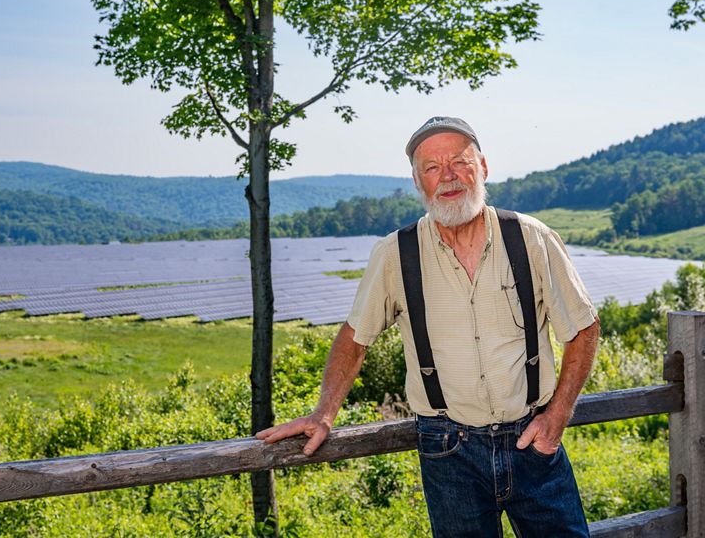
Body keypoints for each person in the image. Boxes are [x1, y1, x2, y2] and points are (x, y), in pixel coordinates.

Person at [256, 116, 600, 537]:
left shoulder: (531, 238)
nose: (448, 176)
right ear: (418, 183)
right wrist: (323, 413)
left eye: (459, 161)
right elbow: (354, 337)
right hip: (447, 450)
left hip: (533, 441)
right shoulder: (395, 254)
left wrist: (558, 416)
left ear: (484, 167)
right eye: (432, 168)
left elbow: (583, 327)